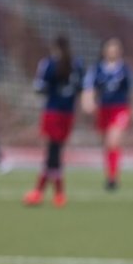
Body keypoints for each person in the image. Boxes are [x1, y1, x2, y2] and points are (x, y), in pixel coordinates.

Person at [24, 35, 84, 207]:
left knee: (52, 153)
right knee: (56, 152)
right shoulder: (77, 64)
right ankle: (53, 193)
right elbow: (80, 88)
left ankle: (46, 192)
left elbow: (39, 87)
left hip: (53, 112)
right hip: (68, 113)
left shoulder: (49, 63)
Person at [82, 36, 133, 191]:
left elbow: (131, 91)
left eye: (115, 48)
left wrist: (131, 111)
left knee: (113, 141)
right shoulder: (97, 69)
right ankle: (109, 174)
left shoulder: (125, 69)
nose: (112, 51)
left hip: (120, 109)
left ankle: (113, 178)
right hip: (103, 109)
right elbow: (89, 88)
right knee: (106, 144)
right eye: (110, 47)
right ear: (104, 50)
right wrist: (88, 102)